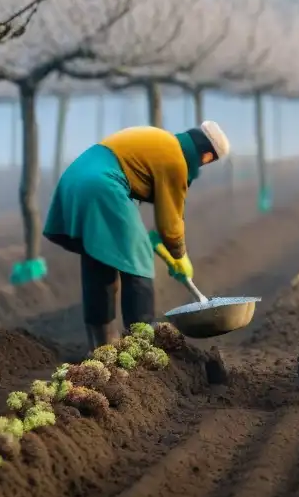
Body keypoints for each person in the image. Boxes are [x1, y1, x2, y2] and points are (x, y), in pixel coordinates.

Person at [43, 121, 230, 350]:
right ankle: (141, 344)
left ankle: (100, 346)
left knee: (99, 261)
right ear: (207, 156)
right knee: (138, 255)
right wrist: (179, 255)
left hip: (75, 180)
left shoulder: (163, 140)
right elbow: (170, 223)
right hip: (103, 185)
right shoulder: (176, 159)